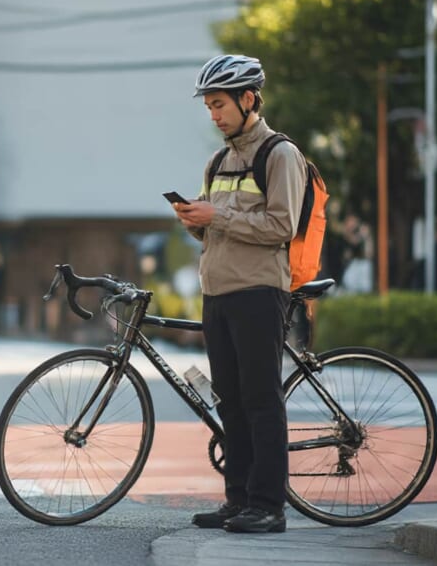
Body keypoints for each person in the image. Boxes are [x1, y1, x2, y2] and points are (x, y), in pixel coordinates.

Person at [172, 54, 306, 534]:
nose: (214, 114)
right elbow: (217, 234)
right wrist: (195, 221)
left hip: (259, 293)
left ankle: (269, 505)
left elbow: (280, 226)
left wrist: (218, 217)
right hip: (219, 294)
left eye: (219, 104)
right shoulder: (218, 160)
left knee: (260, 400)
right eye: (209, 106)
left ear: (248, 99)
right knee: (229, 400)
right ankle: (239, 499)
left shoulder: (280, 154)